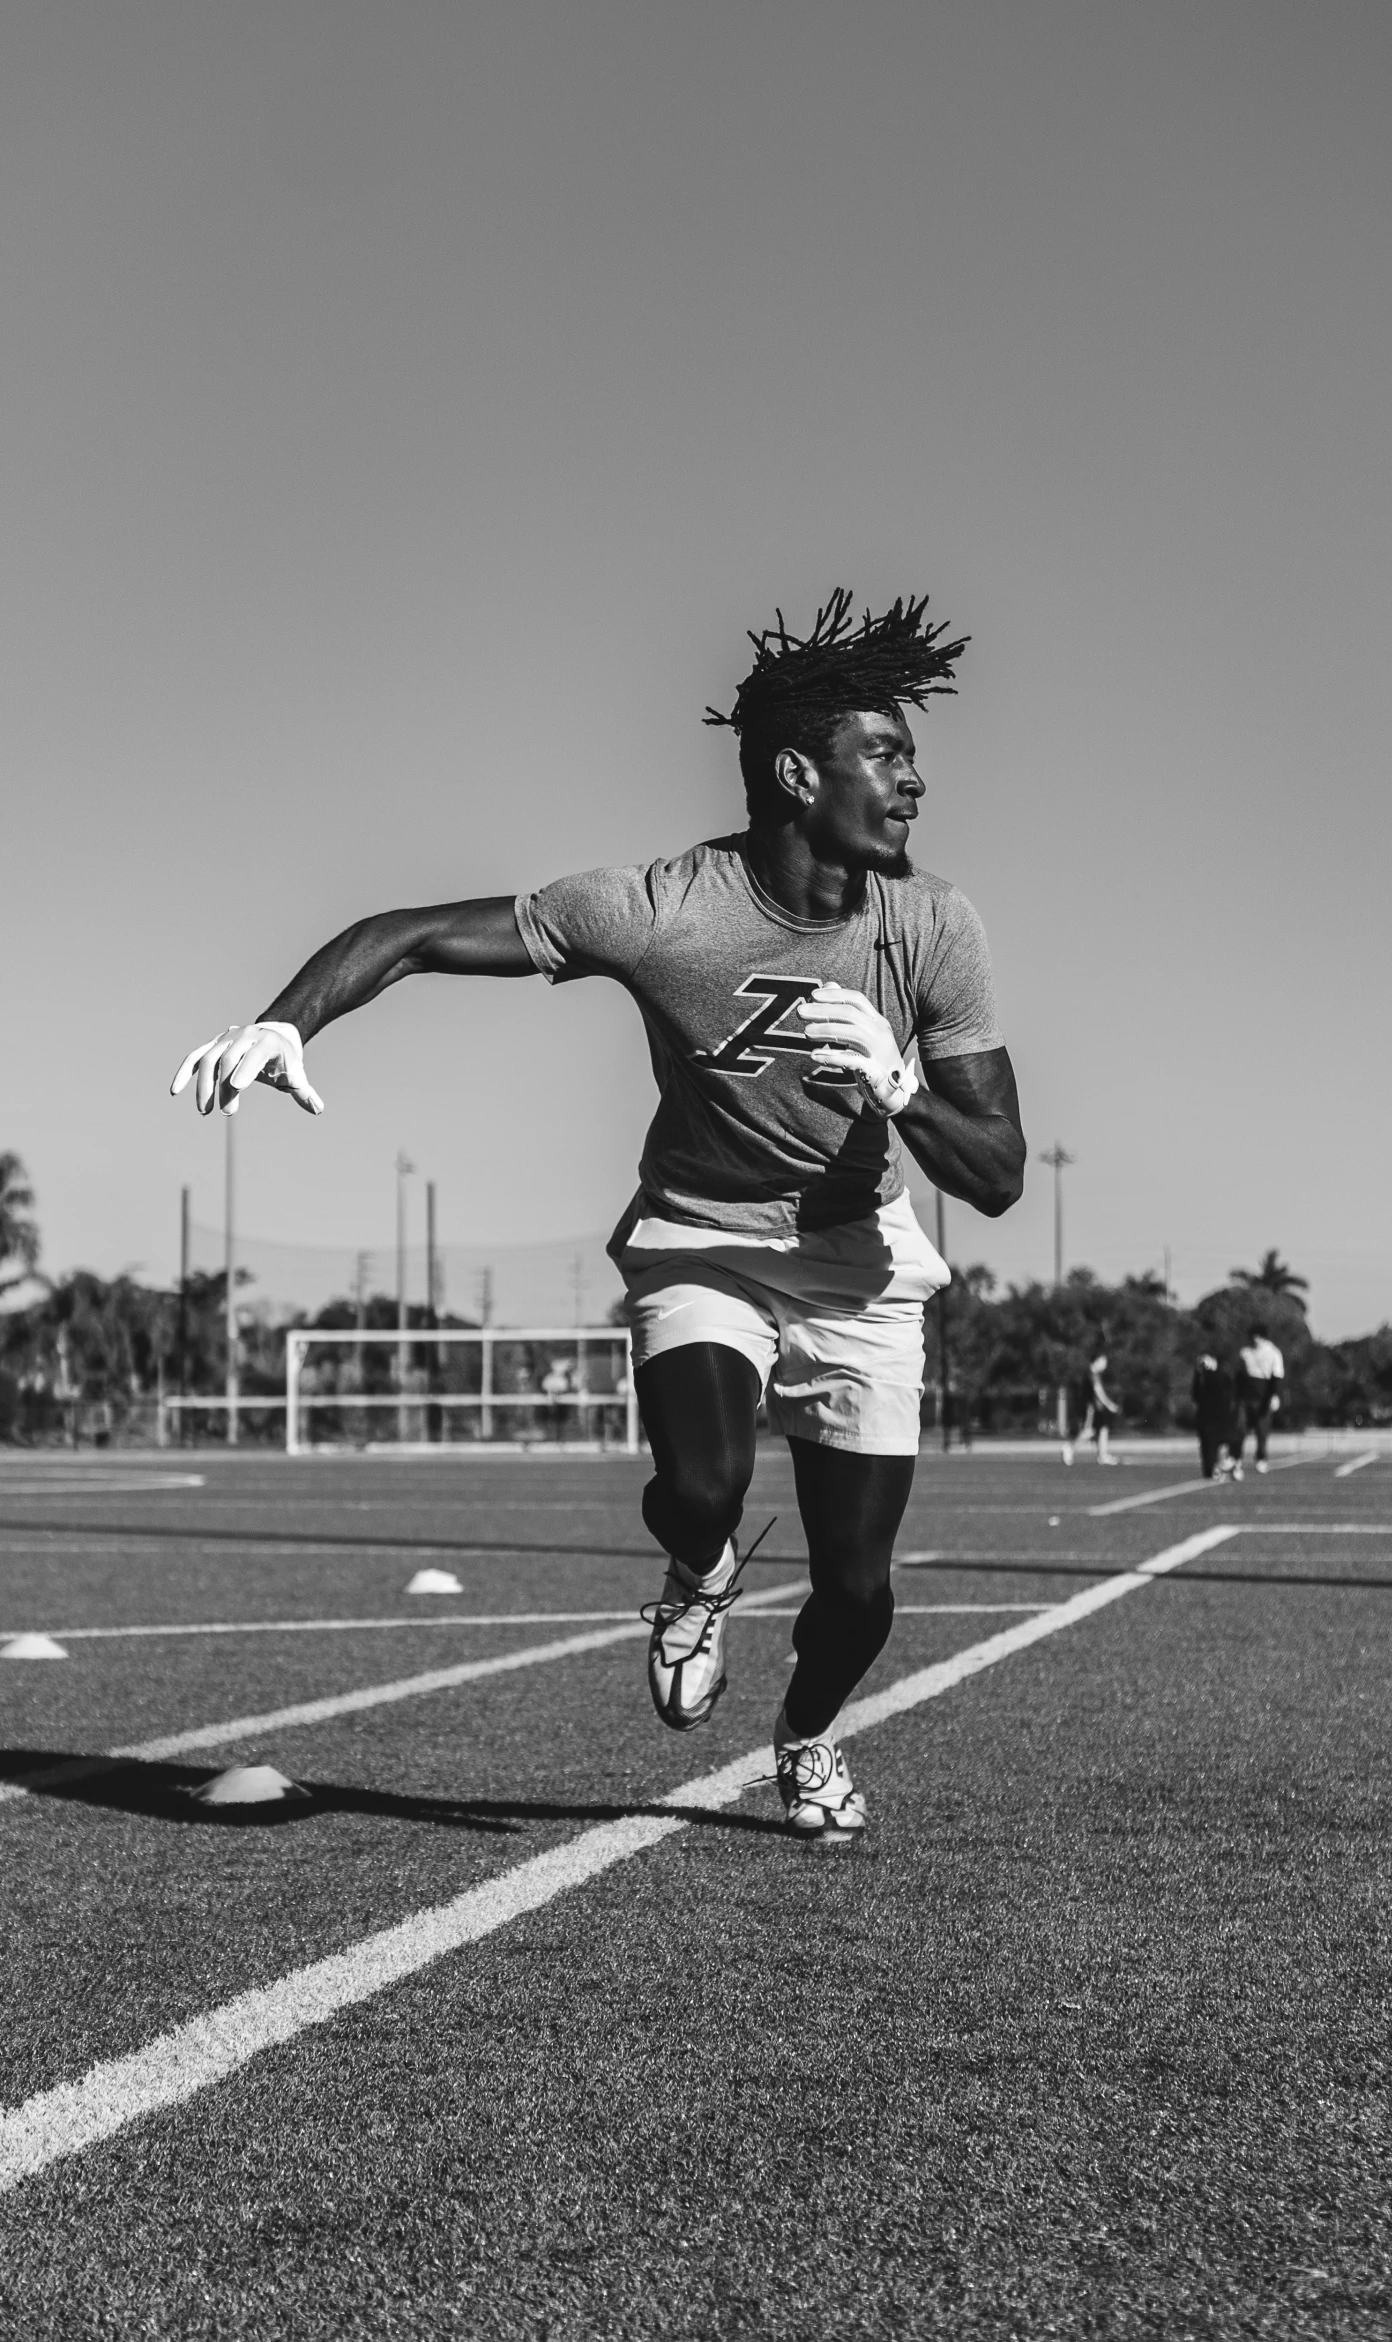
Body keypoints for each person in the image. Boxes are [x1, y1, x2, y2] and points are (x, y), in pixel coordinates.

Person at [171, 589, 1024, 1845]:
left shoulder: (935, 925)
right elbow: (407, 934)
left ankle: (805, 1737)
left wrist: (899, 1089)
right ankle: (698, 1571)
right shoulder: (662, 907)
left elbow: (997, 1171)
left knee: (856, 1588)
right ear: (797, 772)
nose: (914, 784)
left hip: (853, 1255)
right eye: (886, 755)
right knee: (703, 1483)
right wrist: (287, 1016)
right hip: (698, 1231)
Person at [1236, 1321, 1285, 1471]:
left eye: (1257, 1336)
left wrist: (1275, 1396)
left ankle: (1261, 1458)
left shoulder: (1273, 1353)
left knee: (1262, 1430)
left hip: (1263, 1396)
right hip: (1246, 1396)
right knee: (1240, 1428)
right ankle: (1236, 1458)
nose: (1254, 1339)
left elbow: (1276, 1376)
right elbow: (1239, 1375)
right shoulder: (1245, 1352)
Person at [1190, 1350, 1237, 1481]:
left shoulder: (1221, 1376)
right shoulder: (1201, 1377)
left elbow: (1225, 1392)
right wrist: (1198, 1372)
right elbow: (1196, 1395)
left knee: (1220, 1443)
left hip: (1220, 1416)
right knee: (1206, 1445)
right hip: (1205, 1416)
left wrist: (1212, 1369)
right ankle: (1209, 1470)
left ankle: (1221, 1467)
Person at [1074, 1348, 1119, 1465]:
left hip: (1097, 1409)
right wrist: (1110, 1405)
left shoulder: (1094, 1375)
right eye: (1104, 1361)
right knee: (1088, 1431)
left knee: (1103, 1429)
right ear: (1097, 1361)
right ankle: (1070, 1448)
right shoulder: (1092, 1375)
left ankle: (1103, 1456)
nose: (1105, 1364)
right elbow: (1098, 1392)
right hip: (1092, 1409)